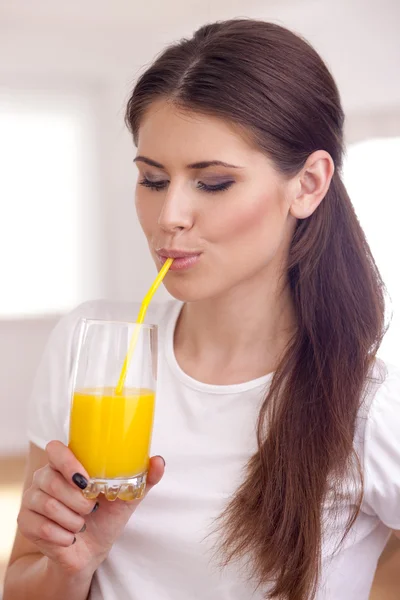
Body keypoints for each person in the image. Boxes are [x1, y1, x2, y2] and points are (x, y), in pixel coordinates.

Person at [4, 18, 400, 600]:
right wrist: (69, 567)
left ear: (308, 184)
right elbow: (22, 583)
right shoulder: (90, 345)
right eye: (153, 179)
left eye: (212, 183)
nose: (170, 216)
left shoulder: (369, 405)